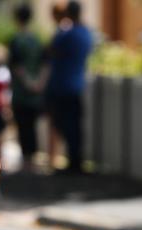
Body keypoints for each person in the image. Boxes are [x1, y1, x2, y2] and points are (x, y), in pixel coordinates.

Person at [45, 0, 92, 174]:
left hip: (62, 86)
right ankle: (76, 161)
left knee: (63, 124)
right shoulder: (86, 33)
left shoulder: (66, 34)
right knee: (75, 126)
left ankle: (73, 164)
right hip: (77, 85)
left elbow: (50, 51)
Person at [9, 3, 45, 172]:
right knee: (32, 126)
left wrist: (28, 82)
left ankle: (26, 161)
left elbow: (16, 66)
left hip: (21, 93)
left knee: (23, 126)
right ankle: (33, 159)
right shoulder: (37, 40)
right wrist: (39, 83)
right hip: (36, 93)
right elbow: (45, 64)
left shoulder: (16, 40)